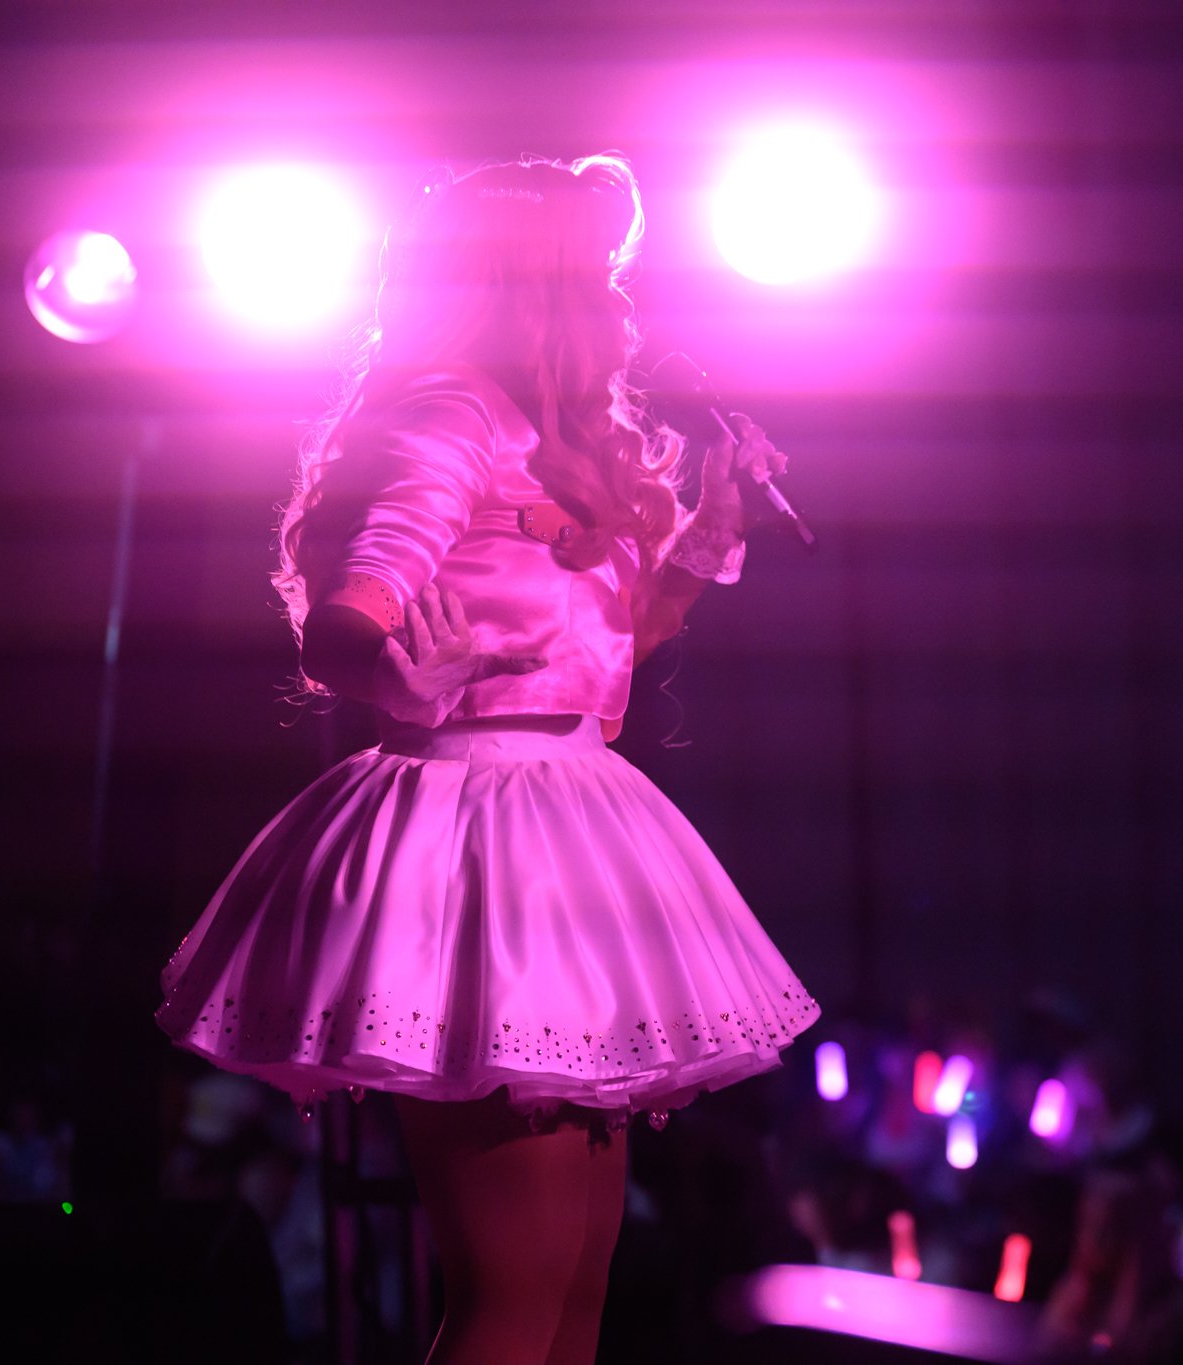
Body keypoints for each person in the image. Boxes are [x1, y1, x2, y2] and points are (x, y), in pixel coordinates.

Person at [154, 152, 823, 1364]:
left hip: (568, 813)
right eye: (594, 274)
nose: (619, 303)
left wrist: (705, 532)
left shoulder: (562, 440)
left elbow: (604, 656)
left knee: (571, 1304)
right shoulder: (450, 413)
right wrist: (390, 675)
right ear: (530, 285)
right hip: (479, 837)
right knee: (512, 1304)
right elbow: (349, 621)